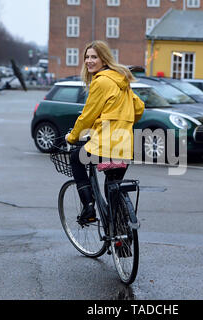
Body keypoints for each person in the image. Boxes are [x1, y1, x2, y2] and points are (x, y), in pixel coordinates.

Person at [66, 40, 145, 225]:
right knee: (113, 189)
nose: (89, 61)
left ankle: (88, 207)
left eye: (94, 57)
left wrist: (72, 137)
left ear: (104, 59)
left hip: (105, 145)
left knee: (76, 158)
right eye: (87, 57)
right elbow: (139, 108)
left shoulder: (101, 81)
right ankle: (120, 238)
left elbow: (87, 116)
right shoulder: (121, 81)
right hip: (124, 145)